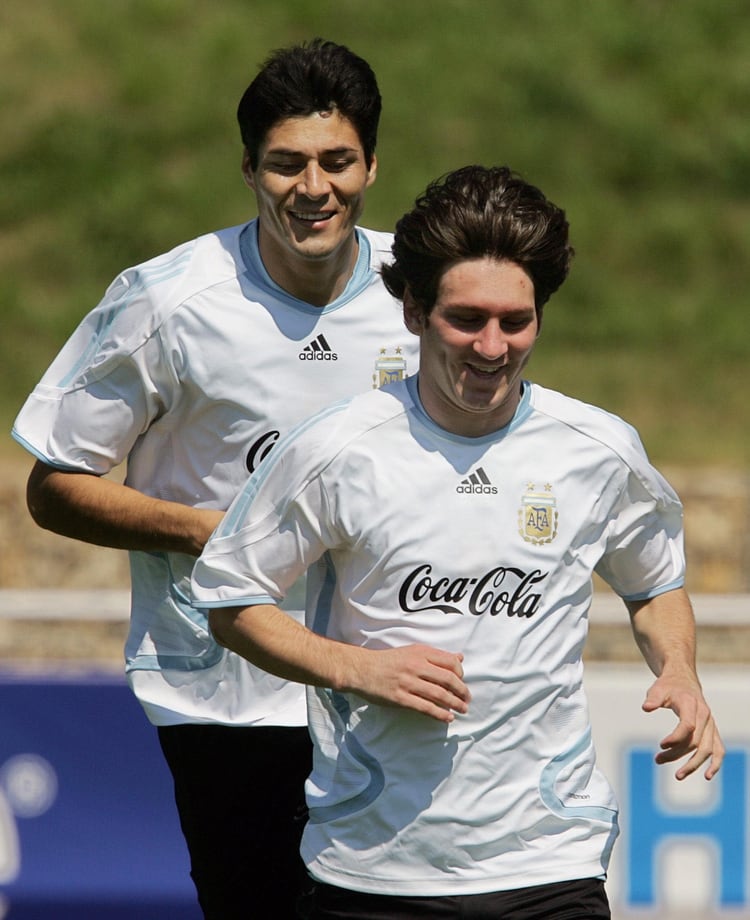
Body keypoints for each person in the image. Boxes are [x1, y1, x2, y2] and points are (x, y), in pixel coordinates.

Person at [191, 164, 724, 920]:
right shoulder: (337, 450)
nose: (492, 346)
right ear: (412, 310)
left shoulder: (596, 450)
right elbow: (229, 600)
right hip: (373, 870)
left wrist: (680, 670)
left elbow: (653, 584)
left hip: (551, 861)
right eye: (466, 319)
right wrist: (356, 668)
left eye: (516, 321)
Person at [11, 39, 418, 919]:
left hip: (382, 679)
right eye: (286, 164)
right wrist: (208, 531)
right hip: (228, 694)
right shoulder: (167, 300)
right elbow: (52, 485)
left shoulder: (420, 294)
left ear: (372, 164)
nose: (314, 187)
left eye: (337, 161)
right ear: (248, 169)